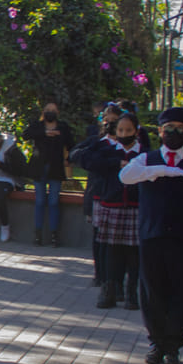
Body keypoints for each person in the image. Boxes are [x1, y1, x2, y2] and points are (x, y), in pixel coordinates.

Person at [118, 106, 183, 364]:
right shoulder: (147, 159)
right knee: (152, 291)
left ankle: (173, 345)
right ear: (160, 132)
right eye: (169, 128)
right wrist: (159, 171)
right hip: (152, 236)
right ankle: (156, 342)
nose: (175, 133)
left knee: (179, 292)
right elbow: (125, 176)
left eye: (182, 129)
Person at [79, 112, 144, 311]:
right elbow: (85, 159)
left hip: (134, 207)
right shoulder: (107, 151)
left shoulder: (144, 154)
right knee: (111, 252)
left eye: (129, 130)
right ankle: (109, 290)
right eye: (121, 130)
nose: (124, 134)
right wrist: (115, 164)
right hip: (112, 205)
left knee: (134, 253)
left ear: (137, 131)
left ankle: (132, 292)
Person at [74, 102, 123, 284]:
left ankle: (116, 277)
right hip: (98, 195)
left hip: (121, 198)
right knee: (99, 238)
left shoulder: (129, 144)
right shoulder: (96, 142)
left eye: (114, 121)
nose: (110, 124)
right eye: (106, 120)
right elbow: (76, 155)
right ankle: (100, 274)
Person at [22, 101, 75, 246]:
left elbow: (72, 144)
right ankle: (38, 234)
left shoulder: (63, 127)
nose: (50, 112)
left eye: (53, 110)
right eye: (47, 110)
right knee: (39, 201)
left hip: (56, 168)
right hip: (39, 167)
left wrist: (68, 159)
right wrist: (44, 133)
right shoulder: (37, 125)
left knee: (53, 202)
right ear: (43, 112)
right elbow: (25, 135)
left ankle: (54, 235)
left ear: (57, 113)